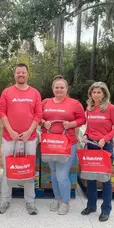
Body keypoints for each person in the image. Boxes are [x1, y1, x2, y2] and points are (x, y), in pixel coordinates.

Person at [0, 63, 42, 215]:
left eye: (23, 72)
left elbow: (38, 114)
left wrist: (29, 131)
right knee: (8, 169)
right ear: (14, 75)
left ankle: (30, 201)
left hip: (29, 138)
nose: (21, 75)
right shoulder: (7, 92)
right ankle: (5, 200)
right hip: (10, 138)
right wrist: (11, 131)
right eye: (18, 73)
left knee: (29, 170)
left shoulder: (35, 93)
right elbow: (1, 112)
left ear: (28, 75)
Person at [40, 75, 86, 215]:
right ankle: (57, 198)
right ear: (52, 89)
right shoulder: (45, 102)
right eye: (56, 87)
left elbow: (82, 119)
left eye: (62, 87)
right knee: (53, 173)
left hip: (67, 143)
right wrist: (43, 122)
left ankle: (65, 202)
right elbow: (37, 116)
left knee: (62, 174)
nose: (59, 90)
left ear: (66, 89)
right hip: (50, 144)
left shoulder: (74, 103)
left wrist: (71, 124)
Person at [81, 81, 114, 222]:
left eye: (99, 92)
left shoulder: (110, 108)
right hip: (91, 146)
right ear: (90, 94)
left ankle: (106, 209)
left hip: (105, 147)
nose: (96, 94)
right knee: (91, 178)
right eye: (94, 92)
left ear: (104, 94)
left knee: (105, 180)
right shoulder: (89, 108)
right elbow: (89, 126)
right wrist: (86, 134)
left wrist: (105, 139)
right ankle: (91, 205)